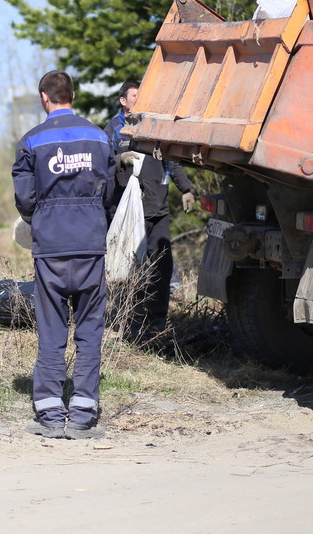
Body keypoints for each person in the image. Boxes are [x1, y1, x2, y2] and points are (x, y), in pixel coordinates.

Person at [13, 71, 114, 439]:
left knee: (52, 329)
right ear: (72, 94)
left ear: (45, 97)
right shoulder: (98, 137)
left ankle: (51, 414)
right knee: (90, 329)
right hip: (89, 243)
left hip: (51, 248)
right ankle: (84, 414)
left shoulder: (32, 141)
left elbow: (25, 199)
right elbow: (109, 192)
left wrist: (39, 219)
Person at [104, 80, 195, 347]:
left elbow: (171, 159)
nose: (139, 99)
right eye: (135, 95)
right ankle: (130, 323)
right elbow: (102, 163)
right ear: (123, 100)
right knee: (133, 269)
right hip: (131, 212)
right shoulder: (114, 130)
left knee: (162, 268)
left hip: (158, 209)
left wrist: (186, 188)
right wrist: (119, 160)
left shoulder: (155, 126)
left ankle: (157, 324)